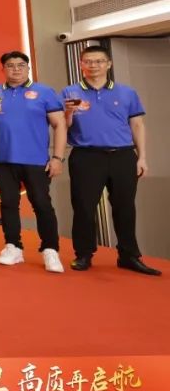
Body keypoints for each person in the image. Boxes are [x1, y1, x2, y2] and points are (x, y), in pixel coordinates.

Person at [63, 45, 159, 276]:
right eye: (88, 61)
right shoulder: (70, 92)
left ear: (108, 64)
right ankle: (84, 254)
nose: (93, 65)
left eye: (99, 61)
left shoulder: (126, 93)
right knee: (84, 207)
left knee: (125, 207)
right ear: (81, 65)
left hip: (123, 155)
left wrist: (142, 157)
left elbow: (137, 125)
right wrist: (68, 112)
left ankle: (129, 256)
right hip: (86, 156)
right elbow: (62, 126)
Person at [0, 50, 67, 273]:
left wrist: (57, 157)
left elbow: (59, 125)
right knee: (8, 203)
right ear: (3, 69)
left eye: (20, 65)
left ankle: (50, 249)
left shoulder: (44, 92)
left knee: (41, 203)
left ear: (28, 68)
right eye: (10, 65)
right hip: (3, 159)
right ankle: (13, 246)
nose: (15, 69)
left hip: (36, 160)